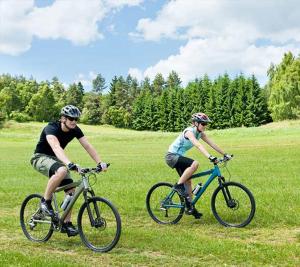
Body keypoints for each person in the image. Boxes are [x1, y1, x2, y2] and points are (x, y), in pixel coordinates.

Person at [30, 105, 108, 237]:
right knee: (61, 170)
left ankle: (66, 224)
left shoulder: (75, 130)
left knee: (71, 191)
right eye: (71, 118)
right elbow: (56, 147)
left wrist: (100, 162)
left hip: (56, 159)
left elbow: (88, 146)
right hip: (40, 157)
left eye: (76, 119)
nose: (74, 121)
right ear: (63, 118)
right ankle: (45, 202)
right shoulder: (51, 128)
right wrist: (69, 163)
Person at [165, 112, 231, 219]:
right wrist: (210, 156)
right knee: (195, 164)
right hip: (171, 156)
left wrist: (224, 154)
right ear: (195, 123)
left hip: (178, 157)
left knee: (188, 181)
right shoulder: (189, 132)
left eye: (206, 124)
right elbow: (197, 144)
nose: (205, 126)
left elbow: (212, 143)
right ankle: (178, 186)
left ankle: (190, 207)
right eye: (203, 124)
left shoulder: (200, 133)